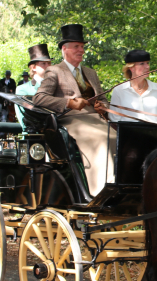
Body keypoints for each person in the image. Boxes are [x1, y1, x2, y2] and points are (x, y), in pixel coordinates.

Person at [32, 24, 117, 197]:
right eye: (77, 46)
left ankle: (124, 185)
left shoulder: (90, 73)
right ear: (65, 49)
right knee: (102, 139)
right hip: (72, 121)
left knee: (122, 138)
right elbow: (39, 98)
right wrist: (69, 103)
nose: (81, 50)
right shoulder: (54, 71)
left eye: (82, 47)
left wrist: (102, 107)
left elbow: (102, 99)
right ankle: (102, 189)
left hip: (97, 119)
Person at [109, 49, 157, 124]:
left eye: (147, 63)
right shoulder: (119, 90)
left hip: (155, 133)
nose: (147, 66)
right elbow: (114, 119)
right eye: (142, 64)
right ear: (132, 68)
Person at [15, 47, 49, 125]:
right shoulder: (22, 89)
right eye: (43, 63)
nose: (48, 66)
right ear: (34, 68)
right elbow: (25, 118)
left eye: (49, 63)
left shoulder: (57, 87)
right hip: (35, 135)